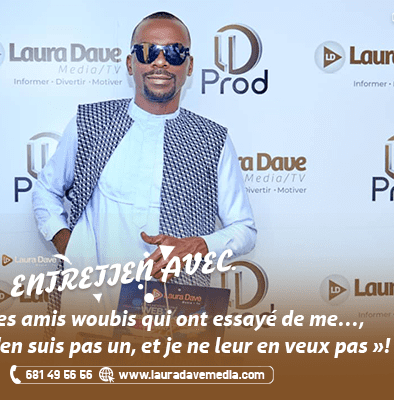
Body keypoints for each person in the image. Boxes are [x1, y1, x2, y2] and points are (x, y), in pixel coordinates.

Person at [33, 12, 256, 337]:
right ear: (130, 63)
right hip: (87, 307)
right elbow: (46, 190)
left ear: (189, 66)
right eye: (147, 52)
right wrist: (67, 243)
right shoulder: (91, 122)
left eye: (174, 53)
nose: (160, 62)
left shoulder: (212, 139)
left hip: (173, 313)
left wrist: (198, 246)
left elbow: (245, 229)